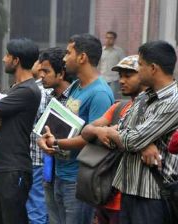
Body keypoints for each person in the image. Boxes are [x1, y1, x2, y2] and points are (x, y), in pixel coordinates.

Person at [38, 34, 114, 224]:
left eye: (69, 52)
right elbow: (58, 122)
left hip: (79, 179)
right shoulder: (75, 87)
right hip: (60, 173)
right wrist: (43, 138)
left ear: (82, 57)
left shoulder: (100, 93)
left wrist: (55, 143)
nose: (64, 59)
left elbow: (93, 139)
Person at [101, 41, 178, 224]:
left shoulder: (173, 101)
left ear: (153, 68)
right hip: (129, 188)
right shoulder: (144, 96)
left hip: (154, 194)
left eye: (140, 65)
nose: (138, 69)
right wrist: (138, 140)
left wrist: (117, 134)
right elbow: (121, 131)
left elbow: (130, 139)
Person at [0, 38, 41, 224]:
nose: (3, 59)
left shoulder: (28, 91)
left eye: (7, 55)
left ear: (16, 60)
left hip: (14, 168)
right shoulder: (13, 90)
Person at [81, 55, 144, 224]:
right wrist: (101, 131)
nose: (122, 81)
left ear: (145, 75)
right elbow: (86, 130)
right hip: (105, 193)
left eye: (128, 76)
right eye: (120, 76)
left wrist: (107, 131)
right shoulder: (119, 107)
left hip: (132, 198)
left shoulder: (151, 111)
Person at [37, 47, 75, 224]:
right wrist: (41, 140)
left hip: (71, 175)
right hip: (50, 171)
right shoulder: (49, 97)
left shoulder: (75, 98)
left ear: (61, 74)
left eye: (46, 71)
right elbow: (42, 132)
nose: (41, 75)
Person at [26, 55, 51, 224]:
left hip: (36, 157)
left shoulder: (40, 90)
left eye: (44, 69)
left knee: (36, 209)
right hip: (43, 157)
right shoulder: (42, 89)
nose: (41, 73)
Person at [98, 31, 125, 99]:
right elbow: (98, 64)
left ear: (114, 39)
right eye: (107, 38)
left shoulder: (119, 51)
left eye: (111, 38)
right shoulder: (101, 50)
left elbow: (123, 65)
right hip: (103, 78)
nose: (108, 40)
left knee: (113, 98)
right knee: (103, 97)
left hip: (114, 79)